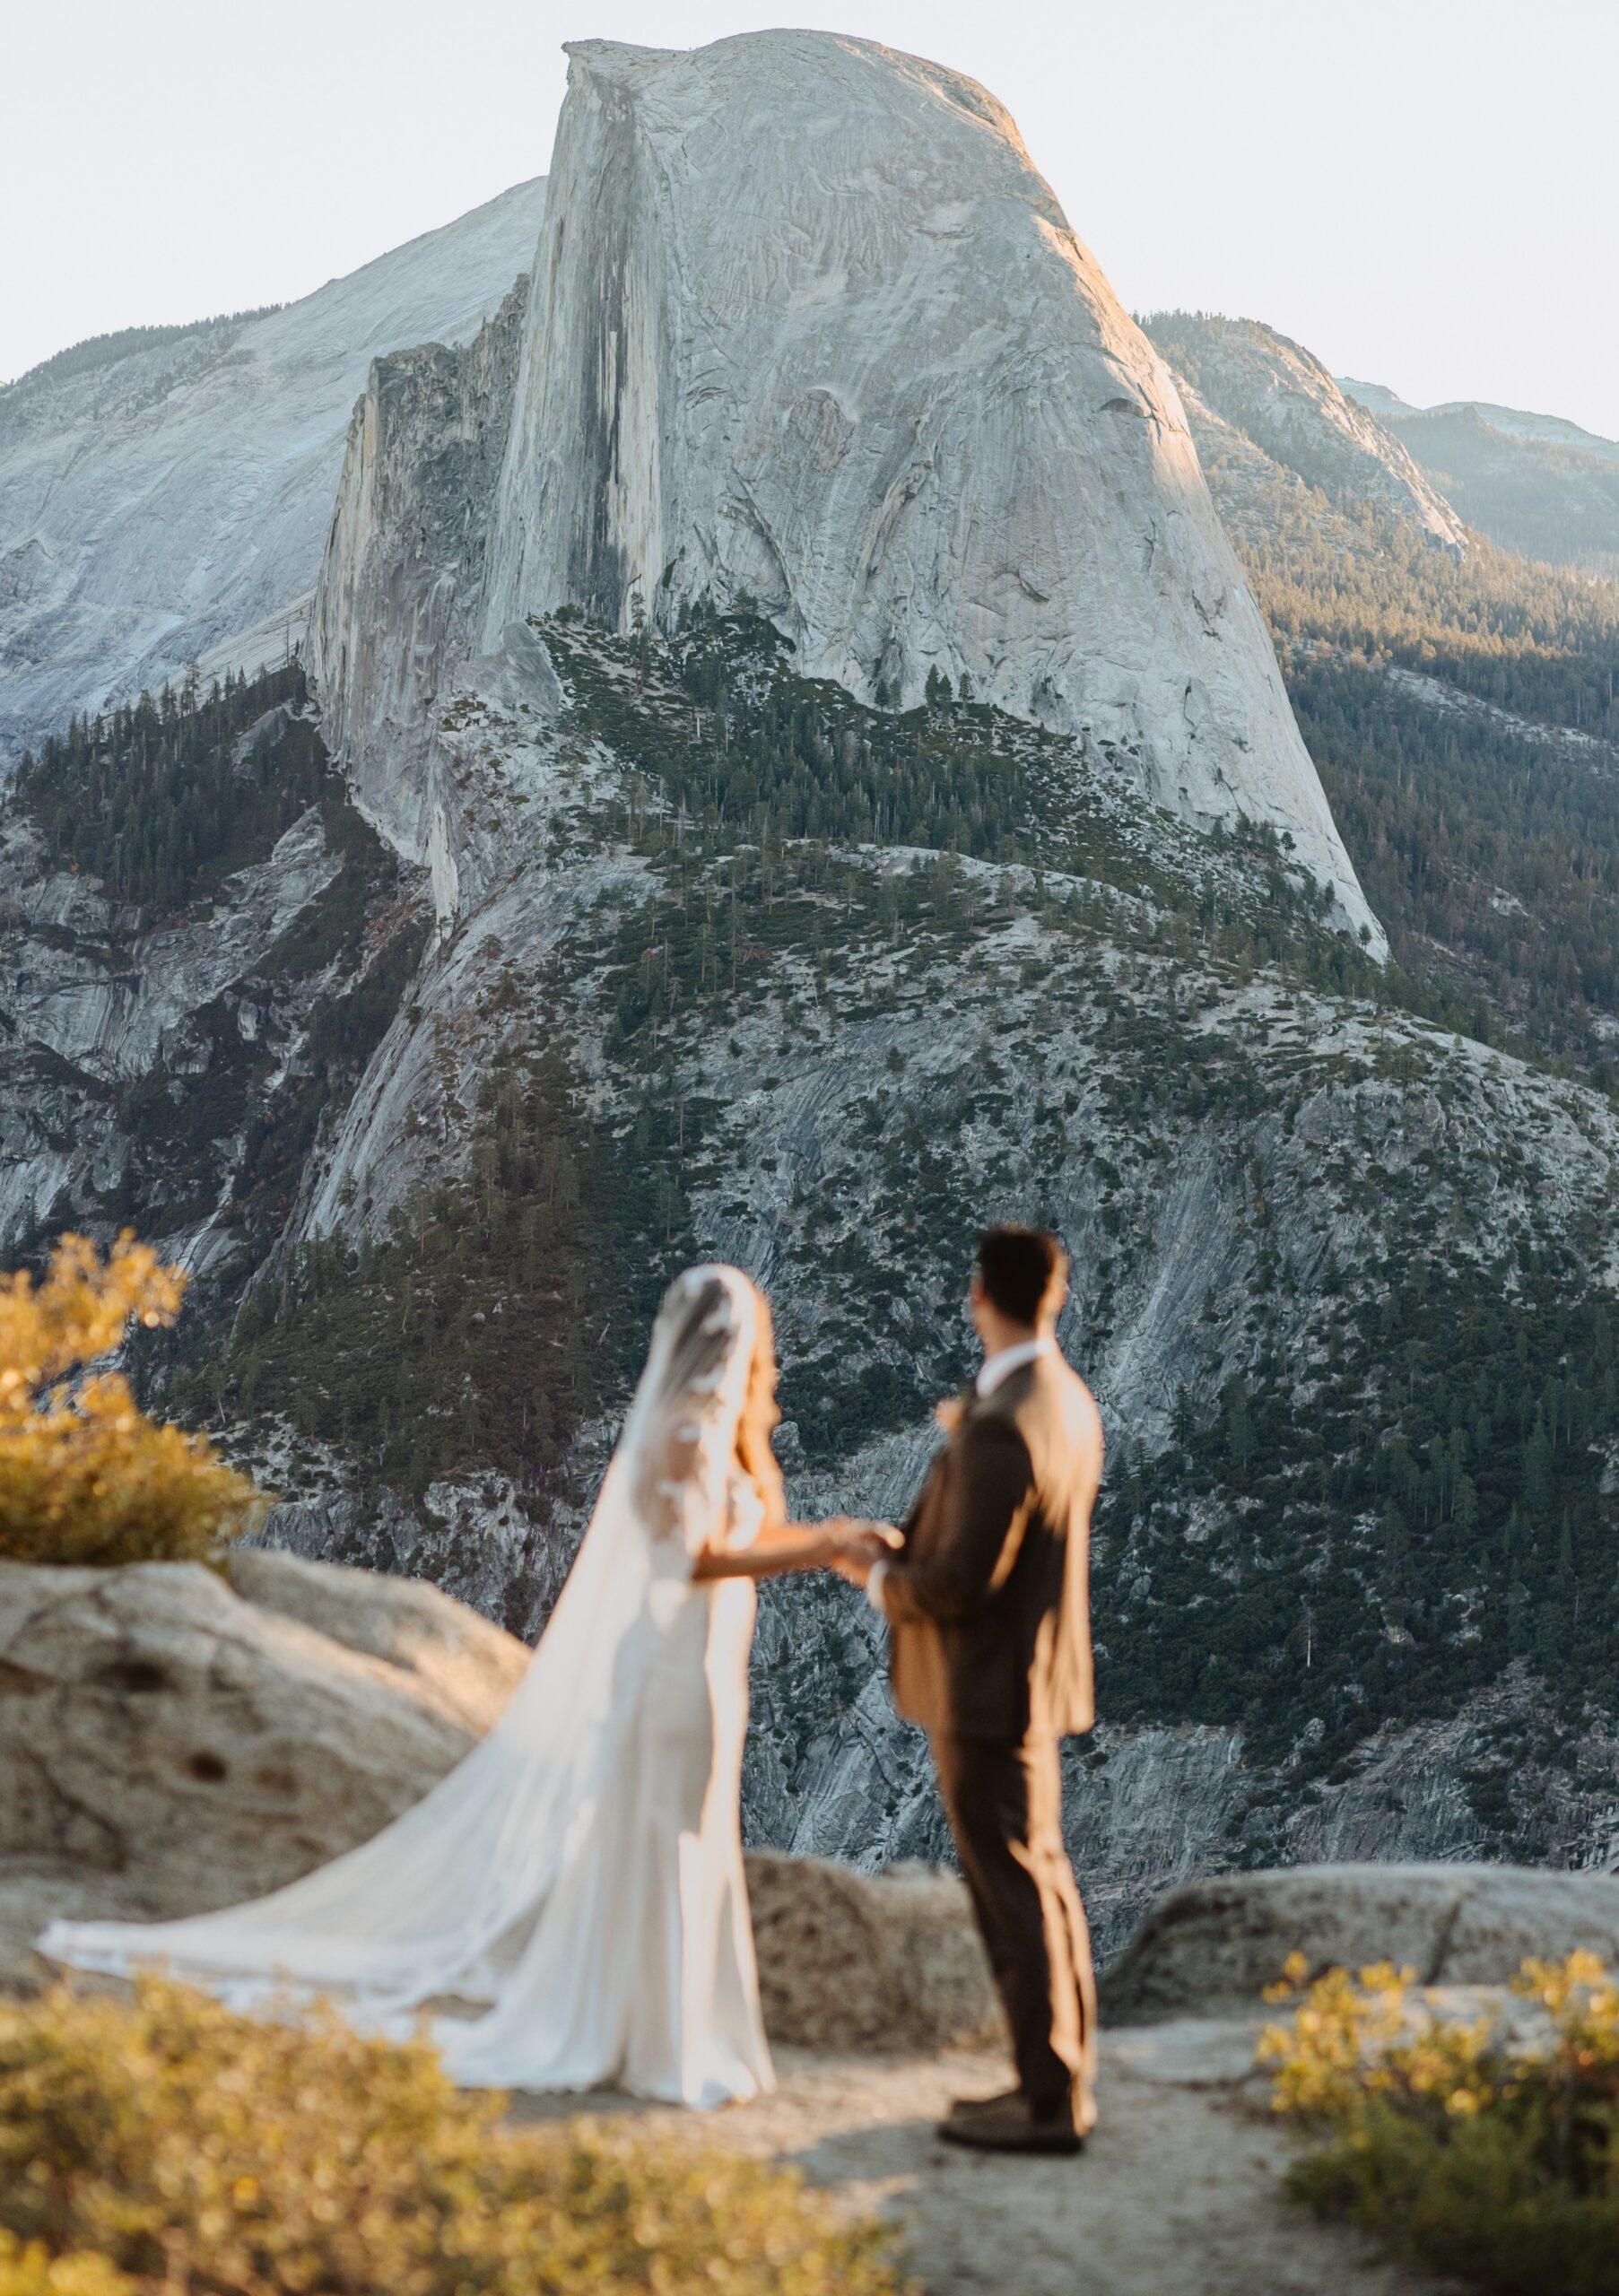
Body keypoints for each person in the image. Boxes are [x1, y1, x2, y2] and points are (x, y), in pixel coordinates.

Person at [40, 1265, 886, 2109]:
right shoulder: (678, 1435)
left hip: (709, 1661)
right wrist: (817, 1550)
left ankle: (674, 2022)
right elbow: (686, 1556)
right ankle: (645, 2030)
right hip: (668, 1661)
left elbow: (748, 1532)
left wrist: (833, 1540)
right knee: (661, 1824)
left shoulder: (725, 1436)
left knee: (692, 1823)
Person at [837, 1224, 1103, 2154]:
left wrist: (870, 1576)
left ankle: (1043, 2100)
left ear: (977, 1293)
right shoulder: (1064, 1399)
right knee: (1043, 1876)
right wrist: (910, 1548)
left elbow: (957, 1588)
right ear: (1053, 1297)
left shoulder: (1001, 1425)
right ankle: (1064, 2074)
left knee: (1009, 1890)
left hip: (986, 1690)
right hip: (1033, 1678)